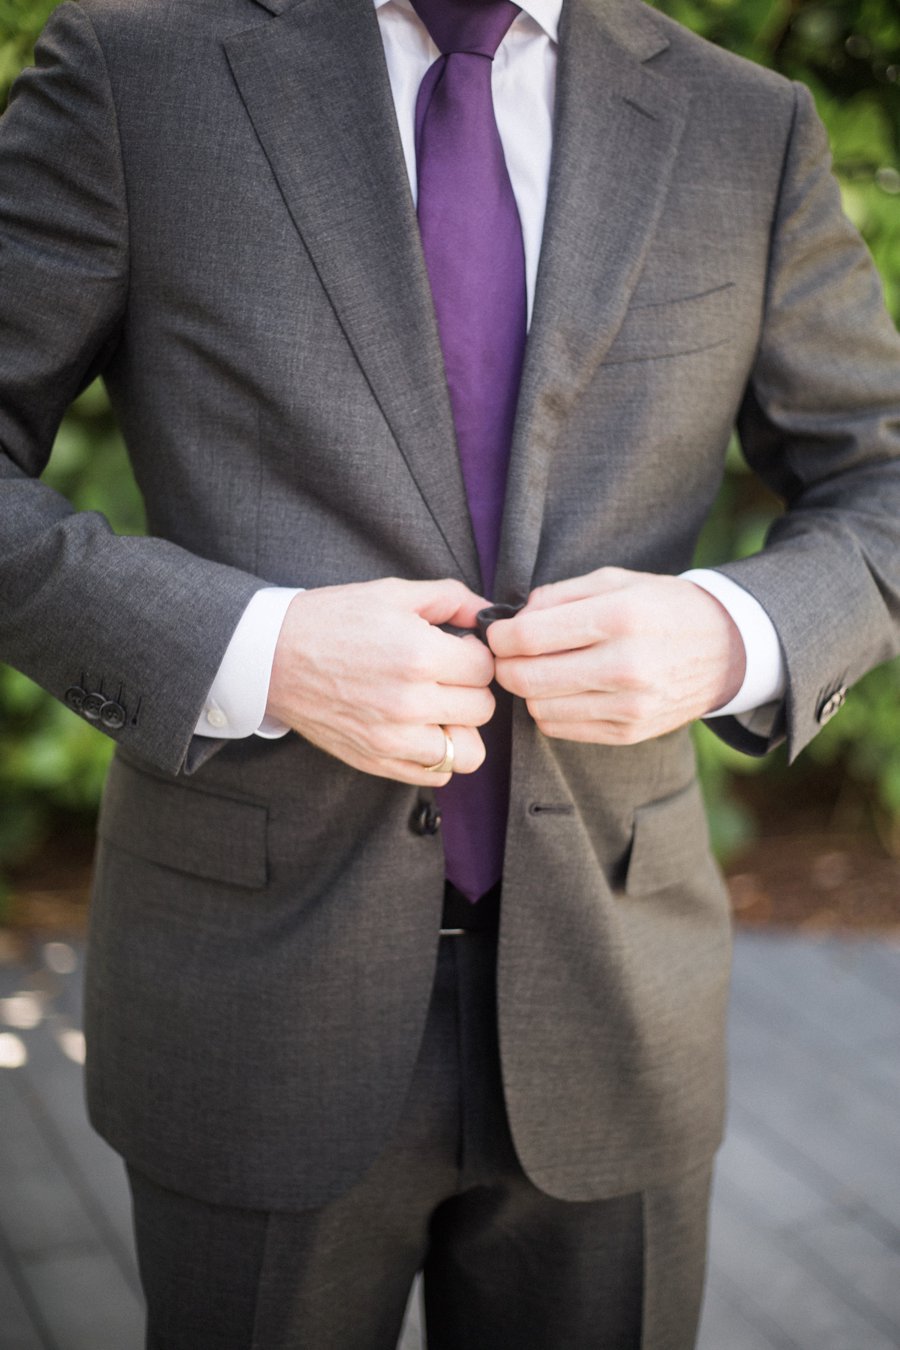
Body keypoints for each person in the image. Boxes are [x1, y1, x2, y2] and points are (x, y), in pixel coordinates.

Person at [1, 0, 899, 1345]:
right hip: (252, 999)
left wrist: (728, 633)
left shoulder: (743, 125)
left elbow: (880, 478)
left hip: (618, 999)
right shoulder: (139, 76)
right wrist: (261, 653)